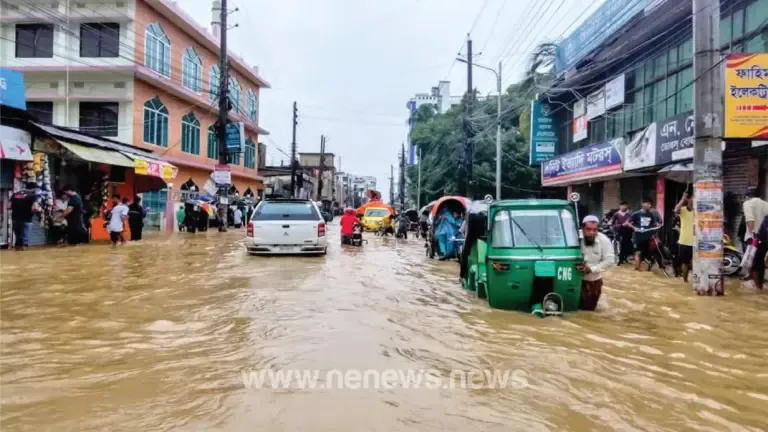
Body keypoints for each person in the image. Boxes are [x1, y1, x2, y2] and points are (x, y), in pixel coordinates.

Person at [578, 215, 615, 311]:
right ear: (582, 229)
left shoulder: (604, 240)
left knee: (588, 312)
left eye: (595, 230)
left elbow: (610, 260)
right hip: (574, 280)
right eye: (588, 229)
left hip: (593, 282)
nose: (591, 233)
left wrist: (591, 269)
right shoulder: (574, 237)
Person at [743, 187, 768, 289]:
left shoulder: (748, 203)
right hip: (765, 237)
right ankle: (760, 285)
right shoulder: (766, 204)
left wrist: (752, 232)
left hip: (755, 237)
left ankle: (758, 288)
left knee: (754, 262)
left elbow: (750, 219)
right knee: (760, 261)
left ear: (748, 196)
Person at [626, 198, 660, 271]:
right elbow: (627, 222)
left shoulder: (650, 214)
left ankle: (638, 267)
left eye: (650, 204)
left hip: (647, 237)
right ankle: (637, 269)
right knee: (638, 252)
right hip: (638, 236)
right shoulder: (636, 213)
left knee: (645, 252)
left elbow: (652, 225)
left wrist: (656, 226)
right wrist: (634, 228)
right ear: (642, 204)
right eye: (647, 203)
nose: (649, 205)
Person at [10, 183, 41, 250]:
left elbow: (8, 206)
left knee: (18, 239)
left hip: (15, 219)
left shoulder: (15, 194)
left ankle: (17, 255)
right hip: (26, 220)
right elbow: (34, 208)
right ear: (34, 189)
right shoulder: (33, 196)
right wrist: (38, 211)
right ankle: (23, 256)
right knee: (24, 241)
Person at [674, 190, 695, 283]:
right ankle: (685, 281)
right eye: (693, 198)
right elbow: (676, 210)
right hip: (684, 241)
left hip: (697, 242)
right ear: (689, 199)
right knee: (685, 262)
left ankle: (696, 280)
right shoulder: (683, 210)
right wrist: (683, 199)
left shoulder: (700, 212)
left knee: (695, 263)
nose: (695, 200)